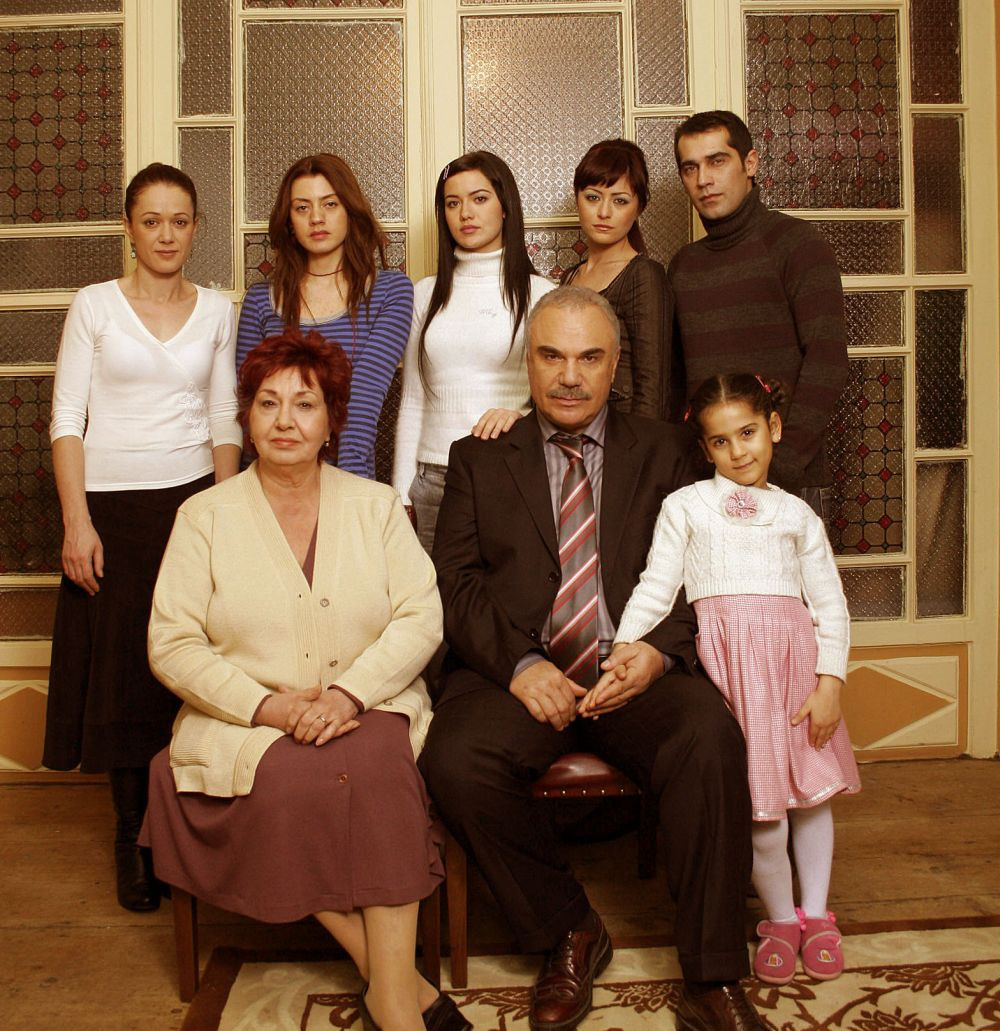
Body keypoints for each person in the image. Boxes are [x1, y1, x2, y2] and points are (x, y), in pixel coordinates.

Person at [421, 285, 767, 1031]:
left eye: (589, 358)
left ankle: (712, 978)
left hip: (633, 668)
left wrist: (659, 654)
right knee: (453, 759)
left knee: (708, 736)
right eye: (552, 356)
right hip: (520, 672)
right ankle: (567, 930)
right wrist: (519, 665)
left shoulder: (670, 450)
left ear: (615, 365)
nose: (570, 376)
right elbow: (456, 579)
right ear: (529, 362)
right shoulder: (479, 457)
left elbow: (709, 570)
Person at [142, 330, 469, 1031]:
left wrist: (349, 695)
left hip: (368, 704)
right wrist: (268, 707)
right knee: (290, 782)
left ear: (332, 420)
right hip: (246, 723)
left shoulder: (377, 506)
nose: (285, 420)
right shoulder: (203, 516)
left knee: (375, 768)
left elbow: (422, 616)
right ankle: (399, 987)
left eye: (305, 404)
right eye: (268, 403)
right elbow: (171, 643)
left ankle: (390, 999)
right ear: (247, 415)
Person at [609, 371, 861, 987]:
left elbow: (830, 604)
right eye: (720, 441)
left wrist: (830, 682)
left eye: (748, 433)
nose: (738, 451)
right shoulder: (685, 506)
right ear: (705, 448)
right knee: (761, 810)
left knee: (810, 798)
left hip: (796, 676)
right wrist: (623, 644)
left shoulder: (798, 514)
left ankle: (817, 914)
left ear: (773, 428)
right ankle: (781, 919)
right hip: (730, 677)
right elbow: (657, 585)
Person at [43, 163, 242, 912]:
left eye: (179, 221)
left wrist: (223, 518)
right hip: (107, 510)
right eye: (151, 220)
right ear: (128, 228)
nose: (165, 234)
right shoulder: (94, 305)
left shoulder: (217, 310)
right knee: (123, 674)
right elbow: (68, 418)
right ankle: (132, 837)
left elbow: (224, 419)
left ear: (196, 228)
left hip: (188, 504)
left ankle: (178, 829)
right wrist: (77, 522)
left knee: (186, 666)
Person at [669, 110, 849, 514]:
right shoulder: (683, 267)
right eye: (690, 168)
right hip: (708, 486)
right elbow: (678, 385)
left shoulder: (797, 244)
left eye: (717, 161)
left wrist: (779, 469)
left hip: (788, 485)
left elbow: (828, 362)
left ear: (750, 163)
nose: (703, 179)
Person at [392, 150, 555, 551]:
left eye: (479, 199)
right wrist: (400, 492)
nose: (465, 213)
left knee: (511, 589)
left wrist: (522, 417)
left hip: (510, 470)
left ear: (505, 207)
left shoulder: (542, 294)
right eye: (452, 203)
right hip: (432, 480)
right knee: (431, 592)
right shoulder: (425, 294)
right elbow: (412, 399)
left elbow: (559, 397)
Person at [236, 153, 412, 481]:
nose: (316, 218)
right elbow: (251, 411)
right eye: (302, 208)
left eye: (330, 204)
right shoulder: (260, 300)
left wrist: (347, 493)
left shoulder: (390, 291)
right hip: (268, 480)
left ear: (349, 210)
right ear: (289, 220)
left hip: (347, 477)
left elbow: (362, 407)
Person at [561, 138, 668, 418]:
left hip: (624, 431)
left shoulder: (644, 275)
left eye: (620, 201)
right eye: (593, 197)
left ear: (639, 207)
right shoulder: (570, 277)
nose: (604, 212)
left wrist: (639, 444)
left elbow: (652, 387)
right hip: (572, 427)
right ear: (577, 198)